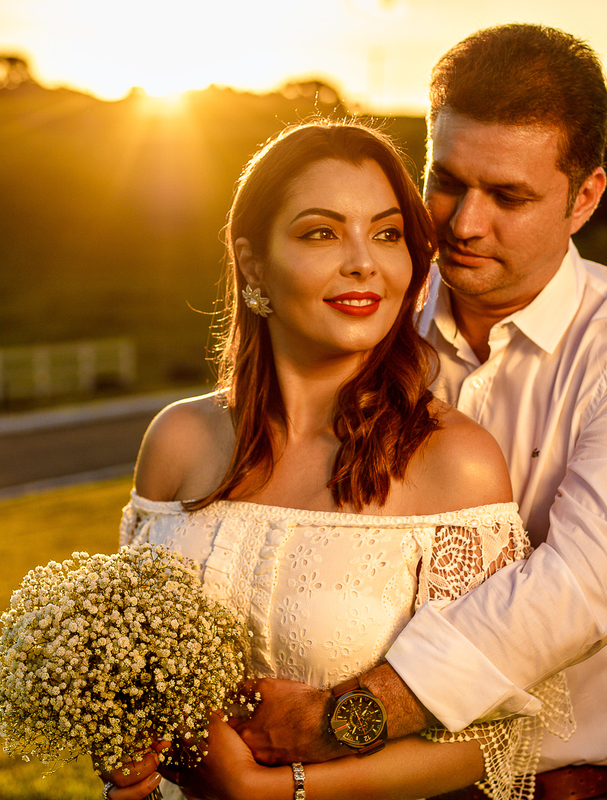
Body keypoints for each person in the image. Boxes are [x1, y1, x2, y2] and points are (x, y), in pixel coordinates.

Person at [231, 24, 607, 800]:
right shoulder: (368, 300)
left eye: (510, 196)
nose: (462, 224)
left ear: (584, 197)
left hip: (550, 783)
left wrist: (346, 716)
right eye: (446, 180)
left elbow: (584, 586)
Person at [100, 120, 572, 800]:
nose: (363, 262)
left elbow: (490, 739)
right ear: (254, 263)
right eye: (321, 232)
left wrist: (276, 792)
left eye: (386, 234)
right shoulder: (178, 440)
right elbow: (132, 682)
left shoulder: (453, 461)